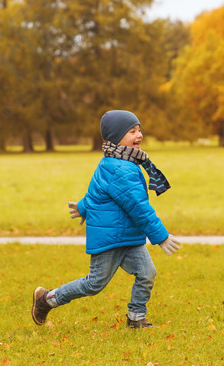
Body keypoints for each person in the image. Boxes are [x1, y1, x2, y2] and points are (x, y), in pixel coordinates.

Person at [31, 110, 180, 329]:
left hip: (127, 236)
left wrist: (82, 207)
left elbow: (97, 191)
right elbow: (138, 207)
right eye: (132, 131)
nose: (139, 135)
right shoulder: (120, 169)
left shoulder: (116, 161)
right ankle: (46, 300)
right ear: (116, 137)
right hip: (111, 237)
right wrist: (161, 236)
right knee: (94, 284)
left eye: (139, 130)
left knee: (147, 273)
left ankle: (136, 319)